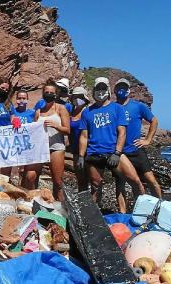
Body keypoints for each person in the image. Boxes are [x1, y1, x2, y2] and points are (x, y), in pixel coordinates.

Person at [77, 77, 145, 212]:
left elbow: (122, 133)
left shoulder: (117, 108)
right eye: (98, 89)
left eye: (103, 88)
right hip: (94, 153)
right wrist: (80, 156)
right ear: (94, 91)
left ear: (108, 90)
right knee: (96, 185)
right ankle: (94, 214)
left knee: (135, 180)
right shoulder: (87, 112)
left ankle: (143, 210)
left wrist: (117, 153)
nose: (100, 91)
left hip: (113, 153)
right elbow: (84, 136)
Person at [114, 78, 161, 209]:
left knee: (151, 180)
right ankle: (123, 213)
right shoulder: (113, 107)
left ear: (129, 90)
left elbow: (154, 120)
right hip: (120, 153)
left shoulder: (138, 106)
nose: (121, 90)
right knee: (120, 183)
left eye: (124, 87)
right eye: (119, 87)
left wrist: (147, 140)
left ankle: (160, 206)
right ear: (114, 90)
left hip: (136, 150)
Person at [25, 79, 70, 199]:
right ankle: (34, 202)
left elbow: (67, 130)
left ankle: (59, 208)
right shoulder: (39, 112)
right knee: (31, 176)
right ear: (43, 93)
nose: (48, 94)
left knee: (57, 182)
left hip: (56, 147)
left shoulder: (61, 109)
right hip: (39, 148)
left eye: (51, 92)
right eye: (46, 92)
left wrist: (55, 125)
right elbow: (33, 130)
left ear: (56, 94)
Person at [69, 86, 90, 192]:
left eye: (80, 97)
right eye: (75, 97)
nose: (77, 99)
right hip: (76, 151)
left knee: (94, 180)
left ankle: (96, 205)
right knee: (81, 180)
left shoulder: (89, 112)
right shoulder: (71, 113)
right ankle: (84, 203)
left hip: (90, 151)